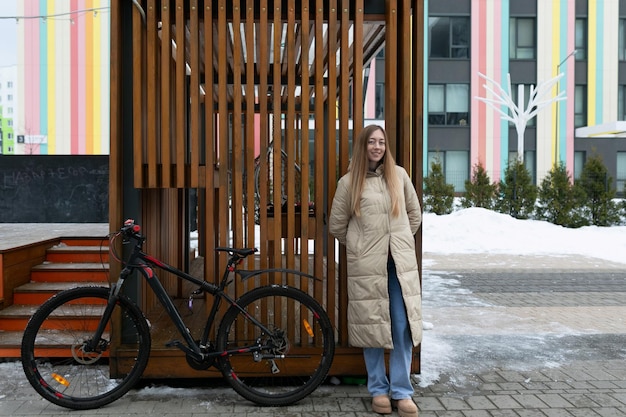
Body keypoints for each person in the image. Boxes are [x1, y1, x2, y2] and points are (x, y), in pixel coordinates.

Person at [329, 125, 422, 417]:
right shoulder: (349, 183)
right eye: (372, 141)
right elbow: (337, 225)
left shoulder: (400, 176)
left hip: (398, 266)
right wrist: (360, 248)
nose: (377, 147)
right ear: (363, 146)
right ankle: (378, 390)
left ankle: (402, 391)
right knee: (372, 326)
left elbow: (414, 215)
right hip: (368, 267)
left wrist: (399, 241)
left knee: (400, 324)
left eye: (382, 142)